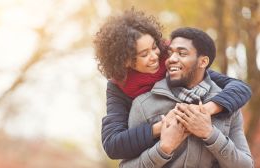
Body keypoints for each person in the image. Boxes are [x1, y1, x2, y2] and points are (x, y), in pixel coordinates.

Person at [93, 9, 252, 160]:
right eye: (144, 54)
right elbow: (113, 144)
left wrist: (205, 110)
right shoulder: (118, 87)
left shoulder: (173, 60)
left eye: (154, 47)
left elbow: (240, 88)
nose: (154, 56)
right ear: (125, 61)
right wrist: (162, 127)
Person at [120, 27, 253, 168]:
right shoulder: (143, 105)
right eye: (170, 53)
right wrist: (163, 149)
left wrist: (210, 134)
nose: (171, 59)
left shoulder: (226, 105)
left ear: (203, 62)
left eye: (182, 53)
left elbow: (246, 165)